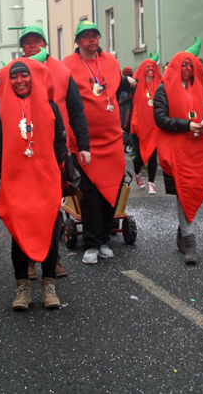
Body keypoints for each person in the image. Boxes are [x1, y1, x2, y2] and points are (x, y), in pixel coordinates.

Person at [0, 59, 67, 310]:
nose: (19, 80)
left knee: (50, 232)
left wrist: (64, 181)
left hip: (46, 179)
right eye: (14, 76)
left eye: (24, 75)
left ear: (33, 78)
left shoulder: (51, 107)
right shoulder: (1, 110)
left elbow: (60, 146)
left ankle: (48, 285)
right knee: (18, 235)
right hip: (16, 179)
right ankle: (23, 288)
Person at [62, 21, 130, 264]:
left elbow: (115, 91)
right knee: (89, 192)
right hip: (83, 142)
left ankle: (103, 239)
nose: (91, 40)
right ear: (77, 41)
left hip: (112, 140)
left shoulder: (111, 62)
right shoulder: (67, 66)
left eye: (94, 35)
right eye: (85, 36)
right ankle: (91, 243)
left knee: (112, 188)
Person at [153, 38, 203, 265]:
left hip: (198, 149)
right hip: (175, 150)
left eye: (191, 65)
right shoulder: (163, 89)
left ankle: (182, 230)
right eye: (184, 64)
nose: (188, 69)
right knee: (183, 192)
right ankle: (190, 240)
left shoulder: (200, 88)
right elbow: (160, 119)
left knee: (195, 190)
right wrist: (186, 124)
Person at [130, 55, 161, 195]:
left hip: (154, 127)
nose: (150, 69)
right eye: (147, 66)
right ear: (143, 69)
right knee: (140, 157)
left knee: (153, 155)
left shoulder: (160, 85)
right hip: (138, 126)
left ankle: (151, 183)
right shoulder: (135, 85)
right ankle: (137, 173)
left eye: (153, 66)